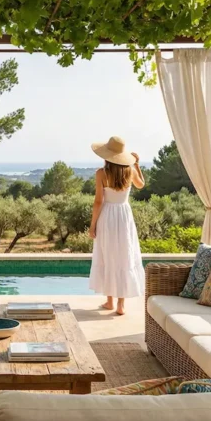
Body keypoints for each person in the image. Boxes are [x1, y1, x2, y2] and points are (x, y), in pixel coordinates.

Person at [88, 135, 145, 316]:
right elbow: (141, 185)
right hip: (124, 216)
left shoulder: (101, 174)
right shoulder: (130, 171)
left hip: (107, 216)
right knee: (124, 256)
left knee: (107, 255)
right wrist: (136, 164)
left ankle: (109, 301)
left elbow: (98, 201)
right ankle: (121, 305)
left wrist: (92, 225)